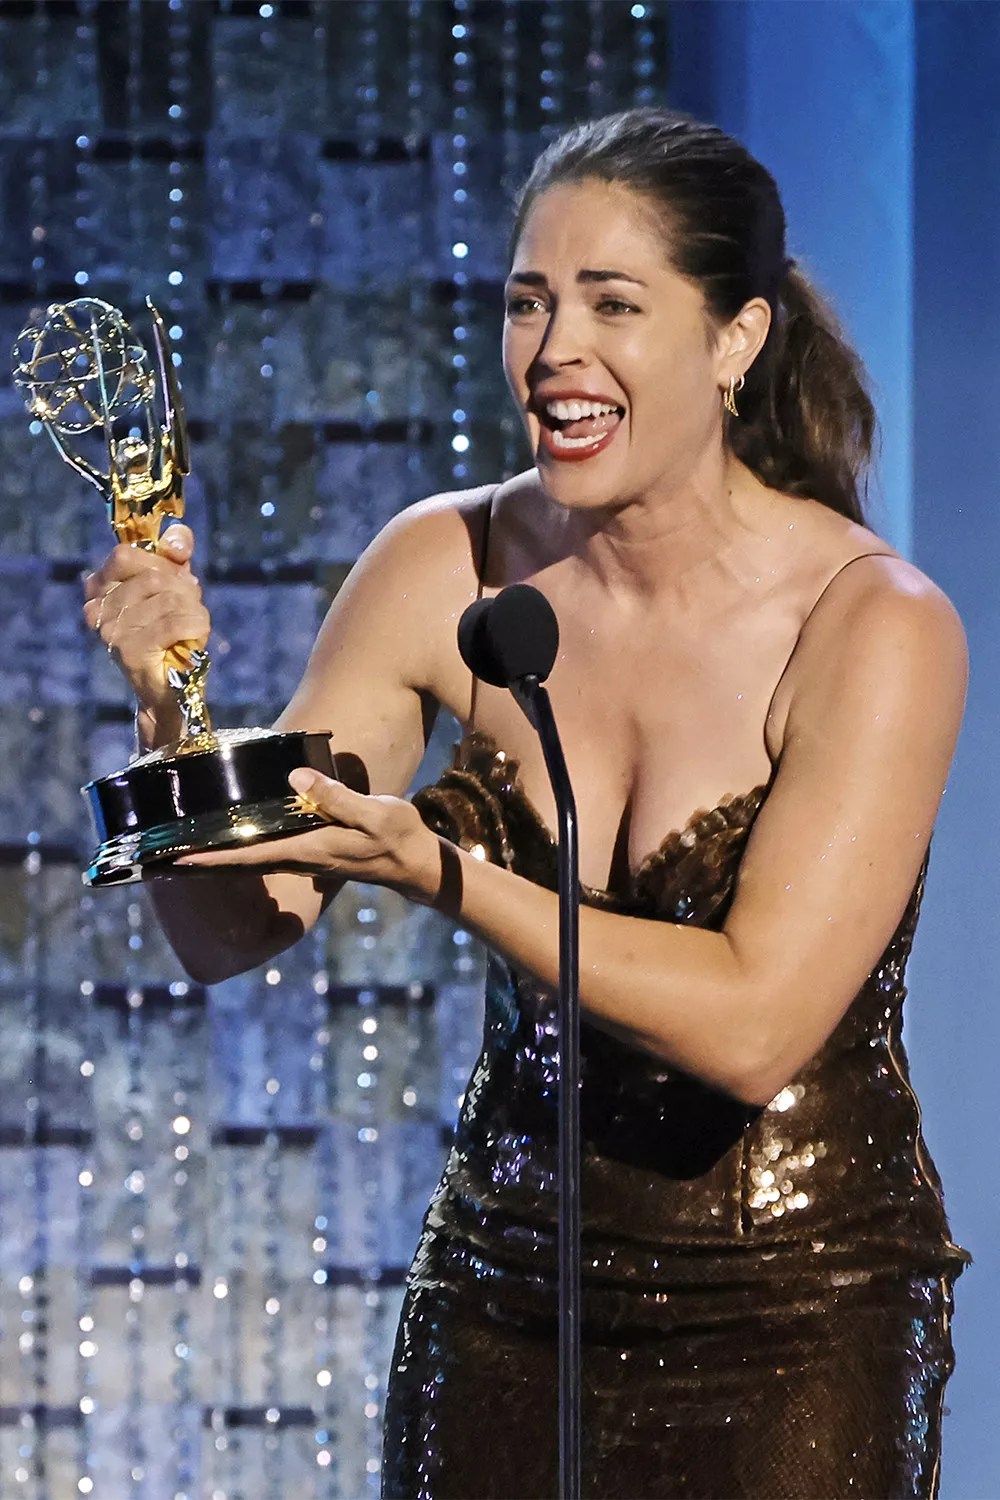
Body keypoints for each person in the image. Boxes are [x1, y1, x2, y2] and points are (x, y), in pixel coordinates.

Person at [83, 109, 970, 1499]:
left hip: (800, 1310)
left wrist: (445, 873)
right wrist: (168, 706)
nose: (556, 349)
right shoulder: (444, 560)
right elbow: (232, 932)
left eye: (613, 303)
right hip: (504, 1297)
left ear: (735, 340)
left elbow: (751, 1023)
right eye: (529, 302)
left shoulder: (874, 626)